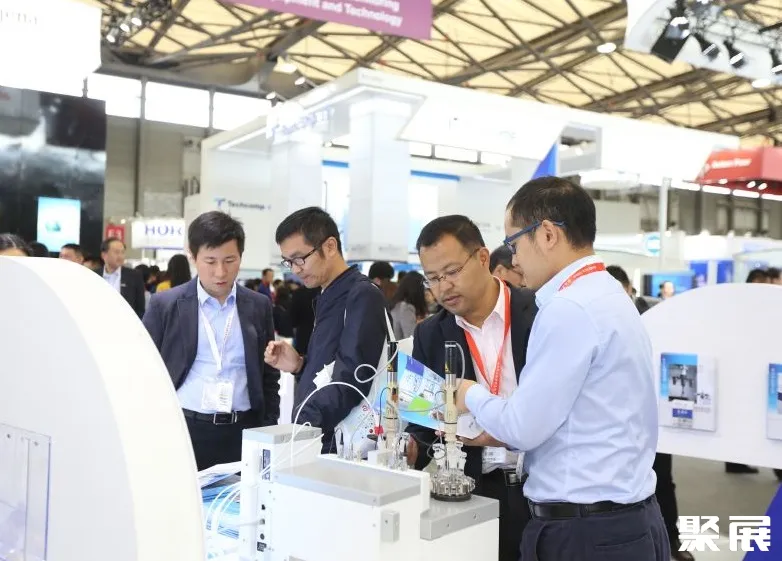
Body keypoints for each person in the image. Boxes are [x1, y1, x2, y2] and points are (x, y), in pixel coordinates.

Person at [455, 176, 667, 561]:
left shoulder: (568, 309)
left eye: (514, 244)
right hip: (624, 521)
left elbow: (523, 427)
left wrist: (470, 394)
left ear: (548, 234)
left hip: (585, 533)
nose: (514, 260)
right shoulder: (608, 294)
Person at [406, 215, 537, 561]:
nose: (443, 287)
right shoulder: (430, 334)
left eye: (452, 272)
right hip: (475, 491)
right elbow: (423, 424)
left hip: (542, 486)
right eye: (433, 278)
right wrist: (411, 448)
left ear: (482, 258)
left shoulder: (537, 311)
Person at [143, 211, 280, 470]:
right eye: (210, 261)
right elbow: (146, 371)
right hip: (186, 430)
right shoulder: (166, 304)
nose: (221, 272)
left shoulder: (258, 305)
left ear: (240, 256)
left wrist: (267, 424)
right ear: (193, 256)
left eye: (230, 260)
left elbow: (269, 373)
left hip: (244, 430)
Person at [263, 207, 388, 451]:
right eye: (289, 262)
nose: (295, 269)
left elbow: (353, 378)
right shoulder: (327, 295)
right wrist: (300, 365)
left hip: (341, 444)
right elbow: (332, 368)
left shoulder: (361, 295)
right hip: (322, 438)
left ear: (330, 247)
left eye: (300, 258)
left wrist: (304, 423)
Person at [607, 265, 692, 561]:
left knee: (662, 477)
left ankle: (672, 539)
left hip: (657, 411)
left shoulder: (655, 314)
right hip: (618, 416)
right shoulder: (600, 320)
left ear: (630, 289)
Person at [99, 237, 146, 318]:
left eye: (123, 252)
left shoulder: (134, 276)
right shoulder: (94, 274)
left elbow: (140, 308)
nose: (120, 256)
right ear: (104, 255)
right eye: (116, 252)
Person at [388, 271, 428, 339]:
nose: (425, 292)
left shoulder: (397, 305)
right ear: (417, 290)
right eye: (423, 288)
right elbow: (411, 337)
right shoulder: (405, 307)